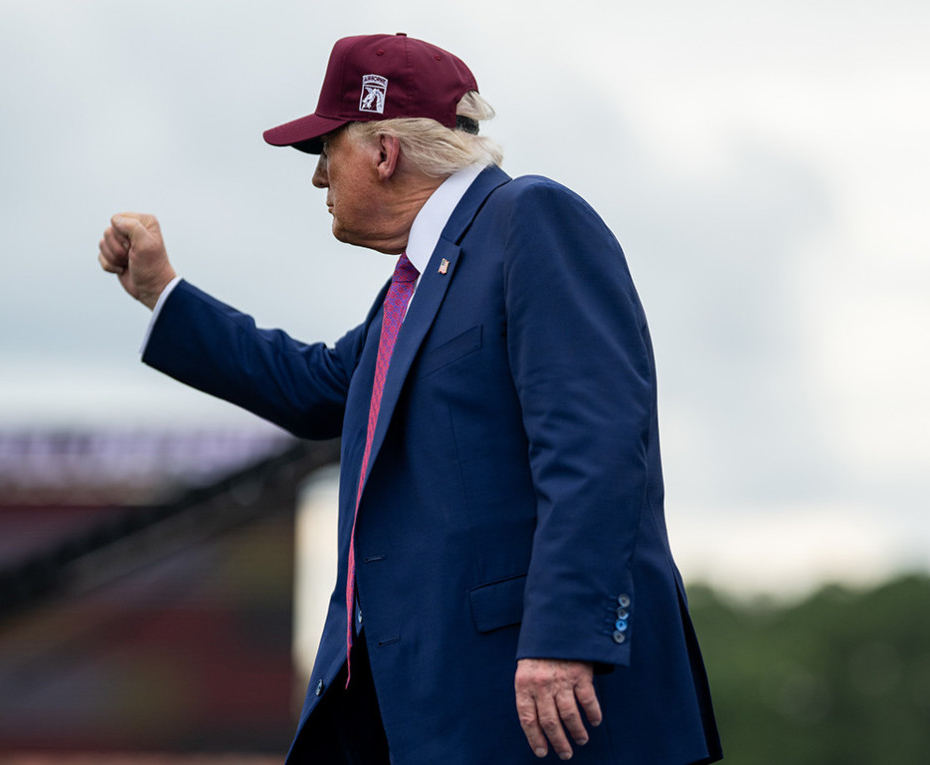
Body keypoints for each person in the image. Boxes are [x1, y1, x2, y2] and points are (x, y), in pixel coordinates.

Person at [97, 33, 720, 765]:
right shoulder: (421, 285)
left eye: (325, 149)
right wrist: (162, 290)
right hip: (447, 706)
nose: (317, 177)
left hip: (544, 701)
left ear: (385, 152)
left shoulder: (531, 217)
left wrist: (564, 635)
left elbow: (595, 445)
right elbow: (312, 387)